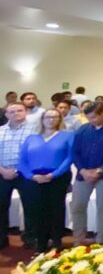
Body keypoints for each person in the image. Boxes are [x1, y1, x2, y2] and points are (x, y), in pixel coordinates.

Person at [16, 109, 73, 252]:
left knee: (56, 209)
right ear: (42, 120)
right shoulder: (31, 138)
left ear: (59, 119)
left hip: (57, 178)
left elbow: (69, 157)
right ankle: (40, 241)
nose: (51, 120)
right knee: (37, 210)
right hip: (34, 179)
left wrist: (53, 175)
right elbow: (22, 160)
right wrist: (31, 176)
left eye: (54, 117)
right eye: (48, 117)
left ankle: (56, 241)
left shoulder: (67, 136)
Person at [71, 101, 103, 245]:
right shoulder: (83, 129)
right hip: (83, 174)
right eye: (88, 118)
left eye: (94, 117)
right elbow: (75, 152)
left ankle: (101, 238)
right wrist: (83, 170)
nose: (91, 121)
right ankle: (79, 238)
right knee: (77, 205)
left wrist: (100, 169)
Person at [0, 102, 38, 249]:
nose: (16, 113)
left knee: (30, 207)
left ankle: (30, 238)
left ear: (26, 112)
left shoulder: (35, 130)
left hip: (26, 174)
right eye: (12, 111)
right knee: (1, 207)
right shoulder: (0, 130)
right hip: (2, 173)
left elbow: (36, 154)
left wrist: (18, 170)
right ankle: (2, 238)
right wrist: (3, 171)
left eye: (19, 110)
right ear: (6, 114)